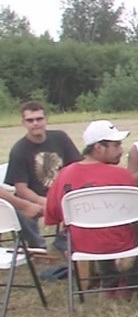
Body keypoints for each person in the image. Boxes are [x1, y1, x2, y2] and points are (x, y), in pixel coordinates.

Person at [44, 120, 138, 297]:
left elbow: (53, 215)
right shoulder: (121, 176)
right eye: (116, 145)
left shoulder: (65, 175)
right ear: (98, 148)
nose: (121, 149)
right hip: (121, 242)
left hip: (80, 244)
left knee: (99, 231)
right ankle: (132, 282)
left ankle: (110, 281)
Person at [5, 100, 81, 250]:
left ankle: (65, 240)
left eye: (39, 119)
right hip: (35, 197)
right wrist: (44, 202)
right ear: (23, 123)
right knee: (20, 211)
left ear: (46, 120)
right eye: (30, 120)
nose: (35, 123)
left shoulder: (61, 138)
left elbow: (77, 168)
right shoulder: (19, 150)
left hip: (64, 194)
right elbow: (21, 189)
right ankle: (38, 247)